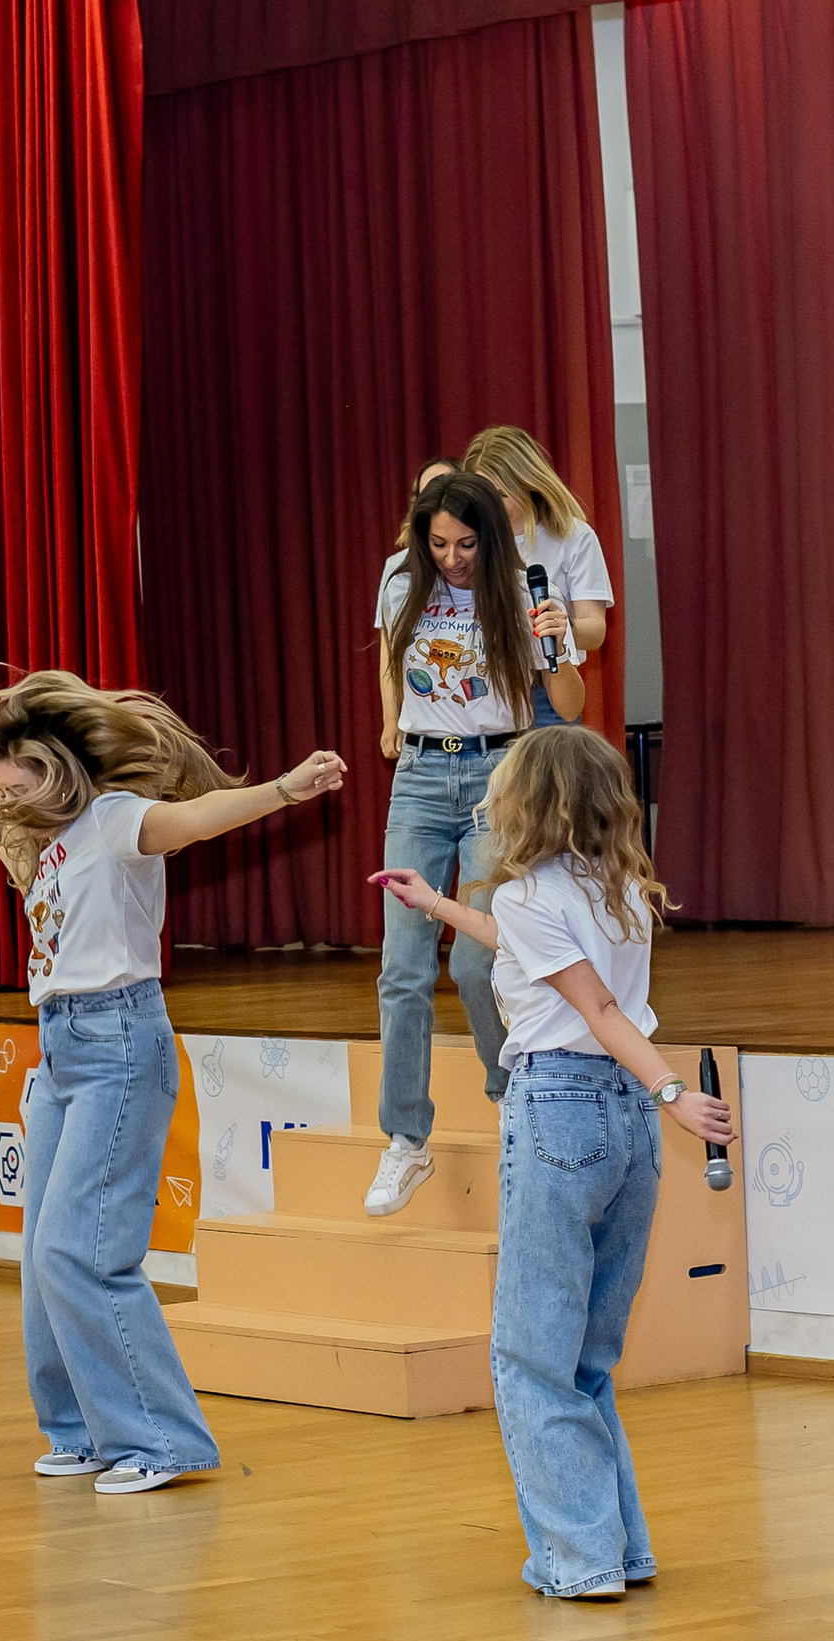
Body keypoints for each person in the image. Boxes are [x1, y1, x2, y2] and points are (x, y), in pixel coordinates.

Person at [0, 668, 347, 1494]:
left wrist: (284, 791)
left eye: (17, 786)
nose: (4, 801)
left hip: (118, 1040)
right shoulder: (46, 843)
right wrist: (17, 840)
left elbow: (191, 821)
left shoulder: (116, 819)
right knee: (42, 1257)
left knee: (79, 1249)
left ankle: (160, 1437)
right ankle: (80, 1428)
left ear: (60, 770)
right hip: (60, 1048)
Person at [374, 725, 733, 1600]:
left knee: (532, 1355)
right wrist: (442, 907)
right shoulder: (615, 888)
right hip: (623, 1125)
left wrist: (673, 1092)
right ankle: (616, 1546)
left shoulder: (538, 895)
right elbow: (537, 951)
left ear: (527, 803)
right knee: (583, 1357)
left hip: (563, 1105)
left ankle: (578, 1558)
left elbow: (596, 1005)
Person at [367, 473, 583, 1217]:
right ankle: (406, 1139)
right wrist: (393, 722)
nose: (452, 558)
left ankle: (507, 1088)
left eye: (465, 543)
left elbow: (572, 703)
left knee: (478, 952)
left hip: (502, 770)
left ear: (489, 534)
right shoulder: (402, 579)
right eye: (439, 544)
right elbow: (393, 660)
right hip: (423, 776)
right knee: (401, 964)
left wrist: (559, 642)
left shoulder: (524, 586)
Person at [459, 425, 616, 729]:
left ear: (528, 484)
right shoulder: (467, 538)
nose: (490, 506)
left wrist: (559, 627)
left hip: (547, 689)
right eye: (482, 496)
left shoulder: (573, 536)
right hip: (479, 689)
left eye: (501, 494)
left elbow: (595, 631)